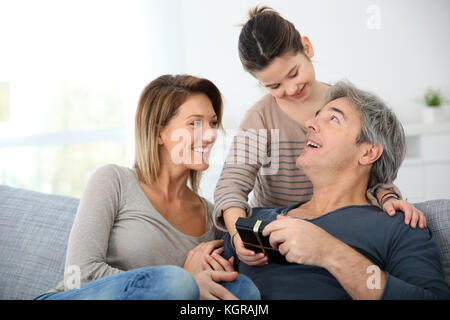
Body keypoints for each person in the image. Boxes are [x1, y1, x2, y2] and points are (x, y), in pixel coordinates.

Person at [213, 6, 427, 267]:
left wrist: (389, 198)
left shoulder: (347, 104)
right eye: (274, 86)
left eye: (293, 73)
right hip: (279, 237)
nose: (291, 89)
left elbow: (369, 169)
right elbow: (231, 187)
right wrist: (237, 235)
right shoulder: (260, 119)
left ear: (307, 47)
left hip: (338, 229)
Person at [34, 74, 260, 300]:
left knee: (242, 289)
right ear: (159, 132)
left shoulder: (212, 218)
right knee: (177, 283)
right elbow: (79, 276)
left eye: (212, 123)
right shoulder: (114, 181)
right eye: (195, 123)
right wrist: (185, 279)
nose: (211, 135)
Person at [221, 81, 450, 299]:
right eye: (316, 115)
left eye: (333, 119)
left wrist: (330, 252)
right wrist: (200, 276)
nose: (310, 123)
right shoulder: (254, 220)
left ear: (368, 153)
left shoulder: (398, 227)